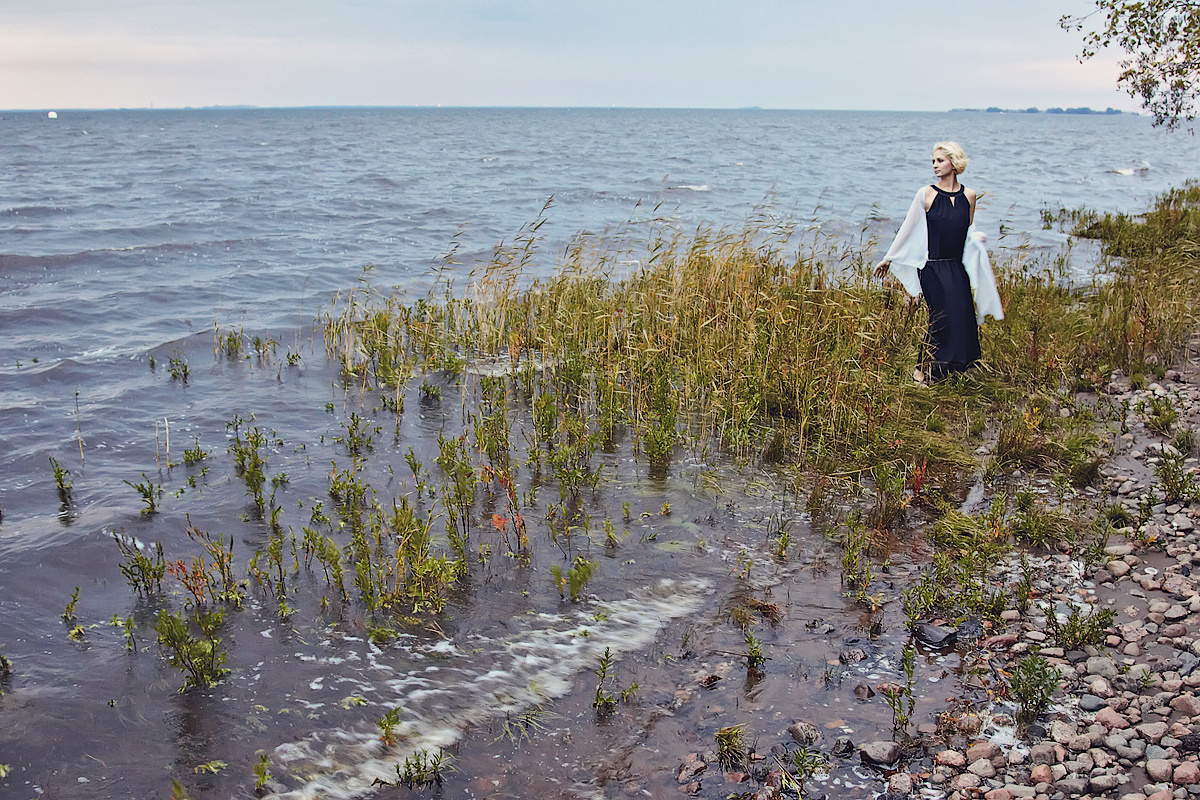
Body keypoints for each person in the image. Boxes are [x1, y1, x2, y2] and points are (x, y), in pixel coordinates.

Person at [873, 142, 1003, 383]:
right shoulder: (926, 194)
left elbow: (967, 229)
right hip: (931, 266)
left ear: (953, 163)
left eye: (940, 160)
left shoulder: (969, 196)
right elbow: (907, 228)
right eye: (933, 161)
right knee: (940, 317)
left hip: (956, 266)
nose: (934, 165)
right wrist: (888, 258)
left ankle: (949, 370)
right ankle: (920, 373)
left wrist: (977, 237)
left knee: (962, 315)